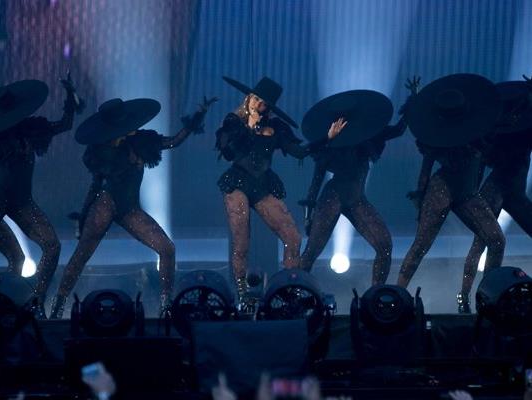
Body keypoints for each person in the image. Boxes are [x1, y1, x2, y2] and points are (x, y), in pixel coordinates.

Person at [49, 96, 215, 318]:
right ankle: (58, 305)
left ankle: (166, 306)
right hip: (104, 204)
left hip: (129, 208)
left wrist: (199, 115)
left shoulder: (142, 141)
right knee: (82, 255)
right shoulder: (98, 150)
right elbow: (98, 172)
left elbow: (174, 141)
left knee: (167, 249)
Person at [215, 76, 342, 308]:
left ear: (268, 107)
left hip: (262, 184)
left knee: (292, 237)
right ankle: (242, 293)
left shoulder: (276, 128)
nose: (257, 105)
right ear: (248, 98)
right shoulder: (233, 122)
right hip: (237, 183)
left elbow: (299, 152)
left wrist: (327, 138)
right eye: (255, 99)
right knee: (241, 239)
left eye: (263, 103)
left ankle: (289, 286)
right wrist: (249, 128)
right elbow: (228, 153)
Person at [299, 78, 419, 284]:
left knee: (384, 245)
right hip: (332, 196)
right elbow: (317, 178)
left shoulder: (370, 135)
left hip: (356, 199)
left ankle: (376, 293)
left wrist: (414, 99)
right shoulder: (331, 145)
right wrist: (309, 216)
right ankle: (294, 292)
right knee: (312, 251)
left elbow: (399, 130)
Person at [397, 74, 506, 296]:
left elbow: (505, 122)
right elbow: (426, 166)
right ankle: (397, 292)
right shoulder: (439, 137)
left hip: (467, 193)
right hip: (442, 189)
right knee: (421, 245)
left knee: (496, 240)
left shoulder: (479, 130)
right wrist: (421, 193)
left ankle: (488, 293)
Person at [0, 76, 83, 318]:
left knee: (51, 246)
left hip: (21, 202)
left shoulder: (31, 130)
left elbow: (65, 124)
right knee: (16, 257)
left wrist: (70, 95)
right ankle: (8, 308)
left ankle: (35, 302)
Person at [460, 76, 532, 312]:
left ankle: (482, 293)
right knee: (484, 242)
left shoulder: (524, 131)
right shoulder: (498, 134)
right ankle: (474, 296)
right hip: (497, 190)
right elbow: (482, 162)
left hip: (512, 195)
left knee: (485, 242)